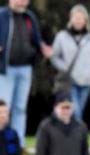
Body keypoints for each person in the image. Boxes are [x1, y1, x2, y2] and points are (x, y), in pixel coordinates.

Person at [0, 0, 51, 146]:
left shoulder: (30, 17)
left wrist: (43, 48)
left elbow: (36, 38)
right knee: (3, 108)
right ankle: (2, 142)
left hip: (25, 69)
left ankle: (18, 143)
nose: (22, 2)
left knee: (20, 108)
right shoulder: (2, 15)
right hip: (6, 69)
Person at [50, 5, 90, 123]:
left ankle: (74, 134)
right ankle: (77, 137)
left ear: (85, 20)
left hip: (87, 81)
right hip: (70, 81)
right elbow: (54, 56)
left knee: (80, 110)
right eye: (76, 18)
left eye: (81, 18)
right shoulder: (62, 36)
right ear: (71, 19)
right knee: (76, 111)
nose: (78, 21)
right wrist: (64, 68)